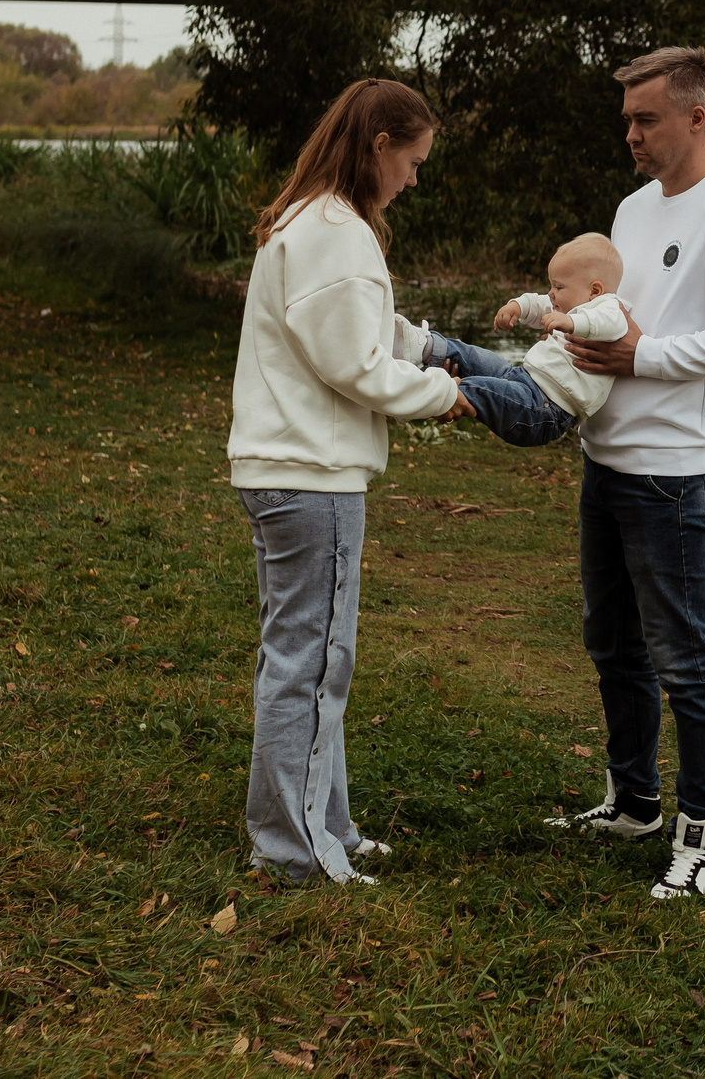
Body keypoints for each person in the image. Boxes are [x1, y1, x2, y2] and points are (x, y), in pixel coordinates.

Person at [550, 46, 705, 900]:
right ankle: (635, 802)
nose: (631, 134)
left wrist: (646, 357)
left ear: (696, 116)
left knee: (685, 660)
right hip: (606, 459)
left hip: (674, 476)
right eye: (627, 119)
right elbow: (611, 318)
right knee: (612, 643)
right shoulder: (632, 208)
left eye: (645, 118)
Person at [225, 78, 469, 885]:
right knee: (310, 660)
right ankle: (295, 851)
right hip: (311, 476)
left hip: (288, 470)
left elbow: (356, 325)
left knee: (306, 654)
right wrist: (447, 394)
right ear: (379, 145)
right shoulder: (336, 229)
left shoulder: (313, 218)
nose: (413, 176)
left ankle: (327, 824)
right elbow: (355, 362)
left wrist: (430, 345)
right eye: (413, 160)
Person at [429, 232, 628, 447]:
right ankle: (427, 346)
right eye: (551, 286)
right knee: (474, 357)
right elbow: (539, 303)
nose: (551, 294)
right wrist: (518, 306)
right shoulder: (570, 305)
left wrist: (570, 323)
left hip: (544, 410)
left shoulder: (609, 308)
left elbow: (611, 324)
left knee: (481, 390)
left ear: (594, 290)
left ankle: (432, 392)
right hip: (523, 379)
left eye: (558, 287)